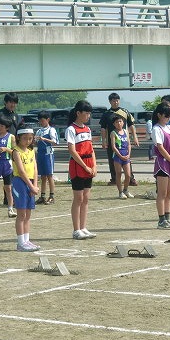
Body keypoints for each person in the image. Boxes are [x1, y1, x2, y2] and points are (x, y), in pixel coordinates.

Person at [66, 100, 97, 240]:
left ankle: (84, 227)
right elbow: (72, 150)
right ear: (78, 113)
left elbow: (91, 149)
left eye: (90, 113)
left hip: (89, 164)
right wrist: (85, 166)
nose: (88, 116)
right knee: (78, 198)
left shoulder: (88, 129)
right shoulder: (71, 129)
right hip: (78, 166)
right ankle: (76, 229)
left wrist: (94, 166)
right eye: (86, 113)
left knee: (86, 198)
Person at [152, 102, 170, 229]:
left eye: (169, 116)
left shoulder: (169, 128)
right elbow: (160, 147)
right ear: (159, 115)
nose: (168, 118)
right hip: (163, 163)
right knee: (162, 193)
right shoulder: (156, 129)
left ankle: (168, 218)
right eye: (166, 116)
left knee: (169, 193)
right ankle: (161, 220)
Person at [100, 92, 138, 187]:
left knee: (127, 160)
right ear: (110, 102)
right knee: (112, 160)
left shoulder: (125, 112)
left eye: (117, 100)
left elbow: (131, 125)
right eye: (113, 101)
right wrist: (104, 141)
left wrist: (135, 137)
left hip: (124, 141)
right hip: (112, 141)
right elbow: (103, 128)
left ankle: (131, 179)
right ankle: (114, 179)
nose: (115, 102)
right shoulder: (106, 114)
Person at [11, 128, 40, 252]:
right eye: (25, 138)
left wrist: (35, 184)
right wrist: (31, 186)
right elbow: (21, 171)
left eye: (30, 138)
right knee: (21, 214)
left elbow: (35, 169)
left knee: (28, 214)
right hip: (20, 182)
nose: (28, 141)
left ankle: (27, 241)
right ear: (18, 138)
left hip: (30, 182)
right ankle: (20, 243)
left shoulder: (31, 150)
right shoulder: (16, 151)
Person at [34, 111, 58, 205]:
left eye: (42, 120)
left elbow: (55, 142)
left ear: (47, 120)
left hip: (48, 154)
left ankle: (51, 196)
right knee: (43, 176)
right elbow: (36, 142)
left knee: (49, 175)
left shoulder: (51, 130)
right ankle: (42, 196)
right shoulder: (39, 131)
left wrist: (44, 139)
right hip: (40, 154)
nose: (41, 122)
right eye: (39, 120)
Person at [110, 113, 134, 199]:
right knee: (118, 174)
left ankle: (126, 190)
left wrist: (128, 154)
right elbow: (113, 146)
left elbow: (129, 144)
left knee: (128, 175)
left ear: (123, 122)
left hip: (126, 155)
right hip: (117, 156)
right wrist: (120, 156)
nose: (119, 123)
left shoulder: (126, 131)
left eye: (120, 121)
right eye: (116, 122)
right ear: (114, 124)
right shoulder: (113, 133)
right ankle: (120, 192)